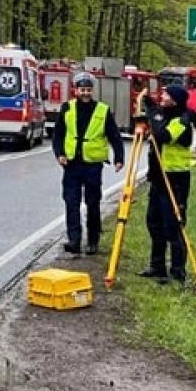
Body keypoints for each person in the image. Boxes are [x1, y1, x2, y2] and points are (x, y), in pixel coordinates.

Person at [50, 71, 124, 255]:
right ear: (76, 90)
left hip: (92, 165)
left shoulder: (102, 110)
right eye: (82, 89)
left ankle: (93, 241)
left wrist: (119, 157)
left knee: (93, 203)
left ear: (92, 91)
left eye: (88, 90)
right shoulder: (67, 108)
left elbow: (114, 135)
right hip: (72, 164)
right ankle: (74, 240)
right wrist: (59, 154)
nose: (85, 93)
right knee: (71, 202)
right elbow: (58, 135)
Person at [140, 83, 196, 283]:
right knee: (153, 222)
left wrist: (153, 112)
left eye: (165, 94)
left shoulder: (182, 119)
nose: (162, 96)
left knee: (173, 225)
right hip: (158, 178)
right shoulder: (165, 114)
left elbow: (163, 135)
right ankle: (157, 266)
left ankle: (177, 271)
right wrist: (151, 111)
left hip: (175, 179)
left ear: (174, 99)